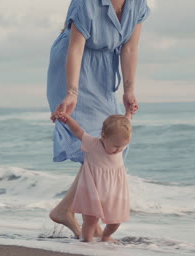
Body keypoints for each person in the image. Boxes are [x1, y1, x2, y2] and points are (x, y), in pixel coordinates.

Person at [46, 0, 150, 238]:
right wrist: (72, 92)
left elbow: (129, 49)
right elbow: (75, 48)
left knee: (113, 143)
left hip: (103, 69)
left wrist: (129, 90)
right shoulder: (86, 4)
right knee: (95, 143)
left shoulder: (138, 5)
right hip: (73, 67)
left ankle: (66, 210)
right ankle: (81, 217)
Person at [54, 109, 133, 242]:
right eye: (116, 146)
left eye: (123, 146)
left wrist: (129, 112)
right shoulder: (94, 144)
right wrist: (66, 118)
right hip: (93, 189)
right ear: (103, 136)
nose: (119, 149)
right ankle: (86, 240)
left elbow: (127, 123)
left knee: (116, 220)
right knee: (90, 220)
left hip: (114, 191)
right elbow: (78, 131)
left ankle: (106, 236)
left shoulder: (120, 144)